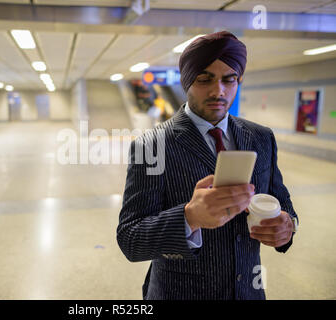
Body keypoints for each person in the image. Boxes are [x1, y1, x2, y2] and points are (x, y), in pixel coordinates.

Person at [116, 31, 299, 300]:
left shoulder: (261, 138)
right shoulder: (152, 145)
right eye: (204, 79)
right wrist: (189, 217)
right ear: (187, 81)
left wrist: (287, 225)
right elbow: (131, 238)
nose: (218, 91)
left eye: (229, 79)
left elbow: (282, 202)